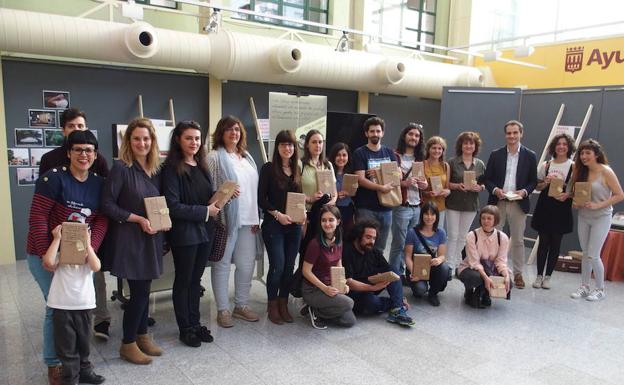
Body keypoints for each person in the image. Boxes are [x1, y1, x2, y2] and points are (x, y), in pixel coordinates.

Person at [26, 130, 108, 385]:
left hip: (80, 257)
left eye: (89, 150)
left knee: (81, 314)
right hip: (48, 254)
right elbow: (38, 217)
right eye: (78, 149)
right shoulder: (53, 179)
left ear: (95, 155)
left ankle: (82, 367)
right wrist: (44, 254)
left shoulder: (99, 183)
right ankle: (55, 366)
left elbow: (102, 219)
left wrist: (89, 248)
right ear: (69, 153)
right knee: (56, 311)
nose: (84, 154)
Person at [38, 108, 112, 341]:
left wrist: (91, 246)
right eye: (72, 126)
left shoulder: (98, 164)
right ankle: (58, 360)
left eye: (81, 126)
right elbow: (41, 212)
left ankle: (98, 325)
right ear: (63, 131)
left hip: (86, 244)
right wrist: (48, 251)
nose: (83, 154)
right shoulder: (51, 164)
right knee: (59, 303)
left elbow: (103, 209)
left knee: (90, 289)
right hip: (56, 245)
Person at [100, 118, 166, 364]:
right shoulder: (121, 168)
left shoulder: (155, 170)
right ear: (128, 141)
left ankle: (142, 336)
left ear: (153, 141)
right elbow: (107, 204)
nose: (142, 143)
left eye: (146, 138)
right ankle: (127, 344)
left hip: (151, 238)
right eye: (136, 138)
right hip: (130, 239)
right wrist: (137, 218)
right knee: (138, 293)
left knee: (144, 291)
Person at [162, 121, 220, 347]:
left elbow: (204, 197)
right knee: (184, 280)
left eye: (197, 138)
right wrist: (206, 210)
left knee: (196, 281)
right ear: (178, 139)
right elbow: (173, 206)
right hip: (184, 234)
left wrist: (221, 195)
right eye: (189, 138)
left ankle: (195, 323)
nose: (194, 142)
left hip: (205, 231)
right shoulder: (171, 169)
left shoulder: (201, 165)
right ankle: (184, 328)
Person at [207, 116, 260, 328]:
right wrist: (223, 194)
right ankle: (223, 310)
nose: (234, 133)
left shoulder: (247, 156)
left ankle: (241, 306)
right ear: (221, 132)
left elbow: (254, 189)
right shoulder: (213, 157)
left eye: (237, 129)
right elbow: (207, 189)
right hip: (226, 219)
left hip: (249, 220)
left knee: (247, 265)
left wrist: (258, 216)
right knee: (222, 264)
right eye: (229, 129)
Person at [42, 225, 105, 385]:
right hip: (62, 308)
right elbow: (48, 262)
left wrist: (88, 244)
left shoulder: (87, 257)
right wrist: (57, 239)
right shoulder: (59, 255)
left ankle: (84, 371)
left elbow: (97, 266)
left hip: (84, 307)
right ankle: (70, 378)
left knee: (84, 344)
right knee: (66, 347)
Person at [484, 120, 537, 289]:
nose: (512, 136)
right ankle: (492, 269)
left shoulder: (530, 155)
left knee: (518, 240)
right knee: (493, 238)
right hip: (498, 202)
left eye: (515, 132)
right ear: (505, 134)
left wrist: (524, 192)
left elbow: (533, 181)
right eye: (509, 133)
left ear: (521, 133)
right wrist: (495, 190)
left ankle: (518, 273)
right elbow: (487, 179)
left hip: (518, 203)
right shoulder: (495, 154)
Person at [258, 130, 303, 325]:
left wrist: (302, 216)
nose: (288, 148)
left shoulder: (297, 169)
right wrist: (277, 214)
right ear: (277, 147)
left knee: (289, 266)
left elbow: (298, 200)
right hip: (273, 225)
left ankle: (284, 303)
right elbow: (262, 199)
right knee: (277, 265)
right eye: (284, 144)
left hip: (293, 227)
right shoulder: (268, 168)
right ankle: (272, 304)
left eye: (291, 145)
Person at [570, 139, 624, 301]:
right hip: (584, 217)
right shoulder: (580, 171)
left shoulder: (605, 171)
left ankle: (600, 289)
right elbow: (577, 196)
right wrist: (575, 203)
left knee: (594, 254)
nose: (584, 156)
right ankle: (584, 286)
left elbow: (620, 194)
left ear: (596, 154)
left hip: (602, 217)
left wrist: (599, 205)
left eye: (588, 153)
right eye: (581, 153)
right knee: (586, 253)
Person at [343, 219, 414, 326]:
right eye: (368, 237)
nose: (371, 241)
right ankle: (396, 305)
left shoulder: (372, 250)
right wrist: (372, 288)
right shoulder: (346, 251)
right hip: (354, 292)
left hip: (372, 286)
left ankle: (397, 308)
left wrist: (382, 282)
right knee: (371, 302)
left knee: (393, 270)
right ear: (358, 235)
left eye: (374, 238)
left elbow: (389, 271)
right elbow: (348, 283)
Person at [530, 134, 575, 290]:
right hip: (545, 206)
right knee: (543, 243)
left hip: (562, 207)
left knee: (556, 243)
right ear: (554, 147)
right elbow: (537, 187)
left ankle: (548, 276)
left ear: (569, 147)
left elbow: (577, 190)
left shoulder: (573, 166)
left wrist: (567, 195)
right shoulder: (546, 165)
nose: (561, 146)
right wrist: (545, 182)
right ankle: (538, 275)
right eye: (558, 144)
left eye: (564, 144)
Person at [301, 205, 355, 329]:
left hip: (329, 285)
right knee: (349, 303)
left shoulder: (339, 242)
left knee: (349, 320)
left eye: (331, 220)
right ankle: (314, 309)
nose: (327, 223)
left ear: (338, 221)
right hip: (313, 289)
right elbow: (306, 271)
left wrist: (342, 284)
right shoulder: (315, 244)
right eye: (323, 220)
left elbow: (338, 264)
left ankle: (320, 310)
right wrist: (325, 288)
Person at [352, 116, 398, 251]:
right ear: (366, 133)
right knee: (362, 245)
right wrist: (381, 187)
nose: (375, 134)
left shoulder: (389, 152)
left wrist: (378, 171)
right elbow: (360, 179)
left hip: (386, 208)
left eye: (378, 131)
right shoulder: (360, 153)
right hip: (366, 208)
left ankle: (377, 272)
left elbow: (398, 174)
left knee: (380, 247)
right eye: (372, 131)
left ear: (382, 133)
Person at [388, 123, 428, 275]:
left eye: (417, 135)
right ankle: (393, 275)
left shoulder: (420, 158)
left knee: (410, 243)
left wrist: (424, 184)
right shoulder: (395, 155)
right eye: (411, 134)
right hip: (401, 206)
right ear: (404, 136)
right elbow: (389, 179)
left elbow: (424, 182)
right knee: (398, 243)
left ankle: (403, 272)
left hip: (417, 206)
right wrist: (404, 183)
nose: (414, 138)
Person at [458, 205, 512, 308]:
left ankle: (485, 294)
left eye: (489, 218)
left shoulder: (503, 238)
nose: (485, 221)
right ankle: (470, 292)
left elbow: (501, 261)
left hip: (491, 268)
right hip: (470, 268)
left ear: (495, 220)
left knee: (509, 281)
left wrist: (506, 276)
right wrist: (486, 278)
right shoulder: (472, 235)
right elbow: (474, 262)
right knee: (477, 278)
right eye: (483, 218)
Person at [445, 131, 486, 270]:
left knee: (463, 236)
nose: (468, 146)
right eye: (465, 143)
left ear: (475, 146)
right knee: (452, 235)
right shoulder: (451, 162)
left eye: (471, 143)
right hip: (453, 204)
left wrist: (479, 188)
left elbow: (484, 184)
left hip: (470, 205)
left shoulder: (480, 164)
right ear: (461, 146)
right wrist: (457, 186)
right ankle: (449, 264)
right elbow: (446, 184)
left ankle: (458, 264)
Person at [403, 202, 451, 306]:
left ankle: (433, 293)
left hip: (431, 266)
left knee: (444, 268)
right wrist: (416, 273)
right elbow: (407, 257)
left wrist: (438, 260)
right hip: (415, 268)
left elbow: (442, 256)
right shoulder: (412, 232)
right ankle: (418, 286)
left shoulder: (441, 232)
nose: (429, 217)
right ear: (422, 215)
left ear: (436, 216)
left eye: (432, 214)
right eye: (426, 214)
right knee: (420, 290)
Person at [422, 136, 451, 228]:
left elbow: (447, 187)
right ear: (428, 149)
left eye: (440, 148)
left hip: (440, 207)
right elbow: (417, 188)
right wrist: (427, 193)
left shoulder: (445, 166)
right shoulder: (422, 164)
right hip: (425, 207)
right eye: (434, 148)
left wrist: (447, 191)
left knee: (438, 234)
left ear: (443, 151)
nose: (436, 151)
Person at [328, 142, 355, 236]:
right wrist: (336, 196)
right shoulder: (328, 172)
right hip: (333, 210)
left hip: (348, 210)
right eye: (338, 155)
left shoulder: (352, 172)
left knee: (347, 237)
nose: (341, 158)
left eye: (344, 155)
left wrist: (352, 191)